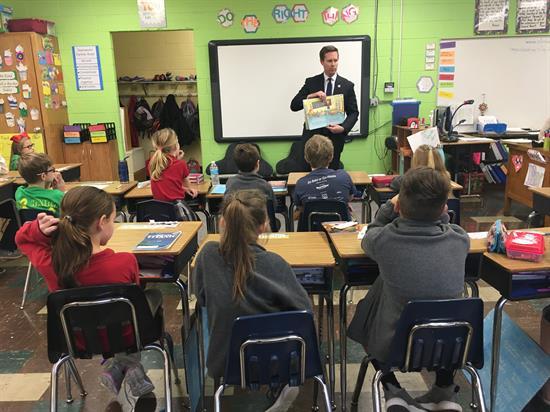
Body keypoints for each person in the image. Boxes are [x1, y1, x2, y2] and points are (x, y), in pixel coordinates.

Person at [15, 186, 160, 406]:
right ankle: (125, 364)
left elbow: (22, 240)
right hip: (127, 336)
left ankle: (120, 366)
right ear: (101, 222)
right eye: (113, 219)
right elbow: (135, 296)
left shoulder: (52, 265)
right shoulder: (125, 261)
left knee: (120, 313)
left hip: (77, 341)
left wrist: (38, 230)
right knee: (151, 296)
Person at [347, 167, 469, 412]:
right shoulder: (460, 240)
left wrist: (386, 209)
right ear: (444, 207)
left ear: (399, 207)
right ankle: (445, 388)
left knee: (369, 307)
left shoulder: (386, 240)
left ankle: (392, 389)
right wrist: (442, 214)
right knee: (436, 306)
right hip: (451, 346)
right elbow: (446, 223)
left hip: (394, 346)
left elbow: (369, 235)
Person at [192, 189, 312, 411]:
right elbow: (305, 312)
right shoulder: (276, 264)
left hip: (225, 363)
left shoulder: (207, 255)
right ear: (264, 225)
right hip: (275, 362)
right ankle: (280, 384)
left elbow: (202, 297)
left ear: (222, 223)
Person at [290, 45, 359, 170]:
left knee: (331, 177)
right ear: (322, 62)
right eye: (329, 61)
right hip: (311, 140)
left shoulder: (347, 85)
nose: (333, 64)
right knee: (308, 175)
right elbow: (294, 105)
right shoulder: (311, 82)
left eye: (335, 60)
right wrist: (311, 96)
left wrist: (343, 128)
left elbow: (354, 113)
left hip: (335, 140)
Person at [293, 134, 356, 220]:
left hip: (312, 230)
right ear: (331, 157)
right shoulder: (344, 176)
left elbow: (301, 208)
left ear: (306, 158)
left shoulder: (301, 184)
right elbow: (349, 197)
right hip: (341, 230)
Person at [147, 127, 198, 202]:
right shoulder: (181, 164)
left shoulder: (153, 163)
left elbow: (168, 186)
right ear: (176, 146)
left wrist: (184, 189)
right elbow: (187, 185)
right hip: (177, 211)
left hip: (160, 211)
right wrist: (178, 160)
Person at [225, 143, 276, 214]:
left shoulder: (230, 183)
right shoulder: (265, 185)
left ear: (236, 164)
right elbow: (273, 208)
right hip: (259, 223)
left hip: (236, 223)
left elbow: (226, 207)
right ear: (258, 164)